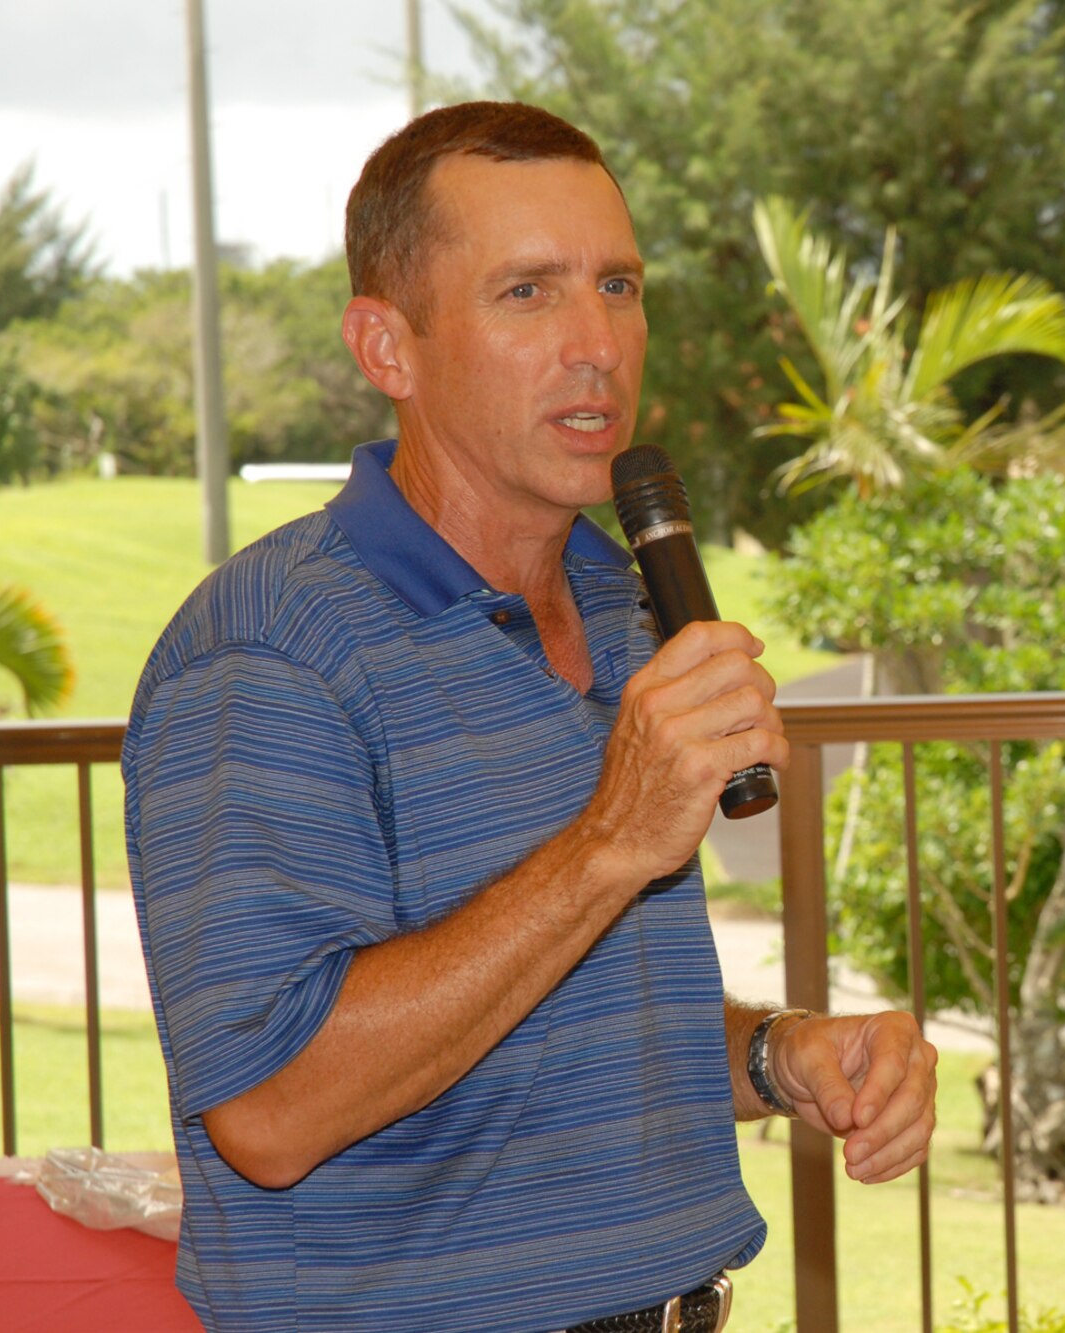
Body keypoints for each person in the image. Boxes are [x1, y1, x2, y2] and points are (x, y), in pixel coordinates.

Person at [124, 102, 936, 1333]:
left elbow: (558, 1007)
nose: (596, 344)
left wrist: (779, 1054)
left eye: (618, 284)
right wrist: (612, 835)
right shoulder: (266, 650)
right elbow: (273, 1111)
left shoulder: (627, 605)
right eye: (526, 293)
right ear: (386, 346)